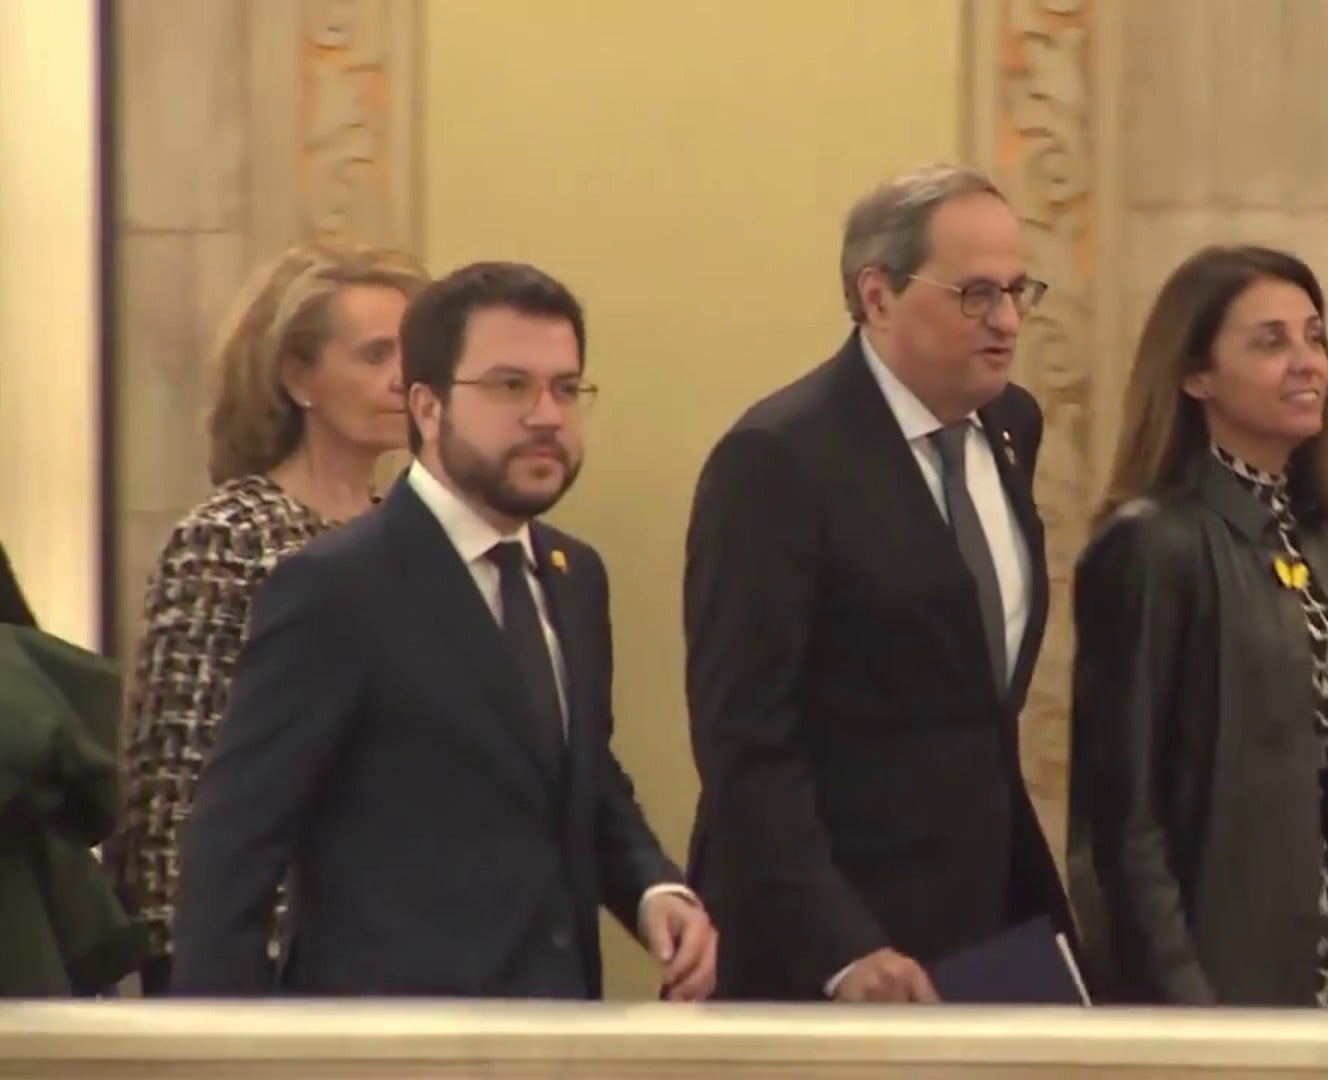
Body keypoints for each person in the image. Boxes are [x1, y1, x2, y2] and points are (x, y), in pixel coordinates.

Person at [170, 261, 717, 1000]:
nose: (547, 416)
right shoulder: (337, 586)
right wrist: (225, 1042)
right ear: (426, 408)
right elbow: (234, 848)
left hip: (557, 1025)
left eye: (565, 388)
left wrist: (653, 890)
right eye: (510, 386)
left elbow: (577, 777)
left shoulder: (573, 577)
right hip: (393, 1034)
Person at [684, 163, 1070, 1002]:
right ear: (878, 295)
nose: (1007, 321)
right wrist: (842, 947)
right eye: (974, 295)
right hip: (824, 944)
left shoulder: (1011, 425)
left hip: (982, 921)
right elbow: (745, 740)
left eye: (1017, 291)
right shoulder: (777, 460)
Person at [1067, 245, 1328, 1007]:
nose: (1307, 362)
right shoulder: (1151, 544)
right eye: (1270, 342)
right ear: (1196, 375)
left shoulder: (1309, 533)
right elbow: (1125, 823)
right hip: (1223, 976)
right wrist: (1185, 1007)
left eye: (1314, 336)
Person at [106, 242, 429, 995]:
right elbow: (174, 780)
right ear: (298, 378)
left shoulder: (411, 538)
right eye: (375, 355)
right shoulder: (229, 535)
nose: (401, 378)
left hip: (394, 944)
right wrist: (195, 965)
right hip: (263, 952)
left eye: (412, 356)